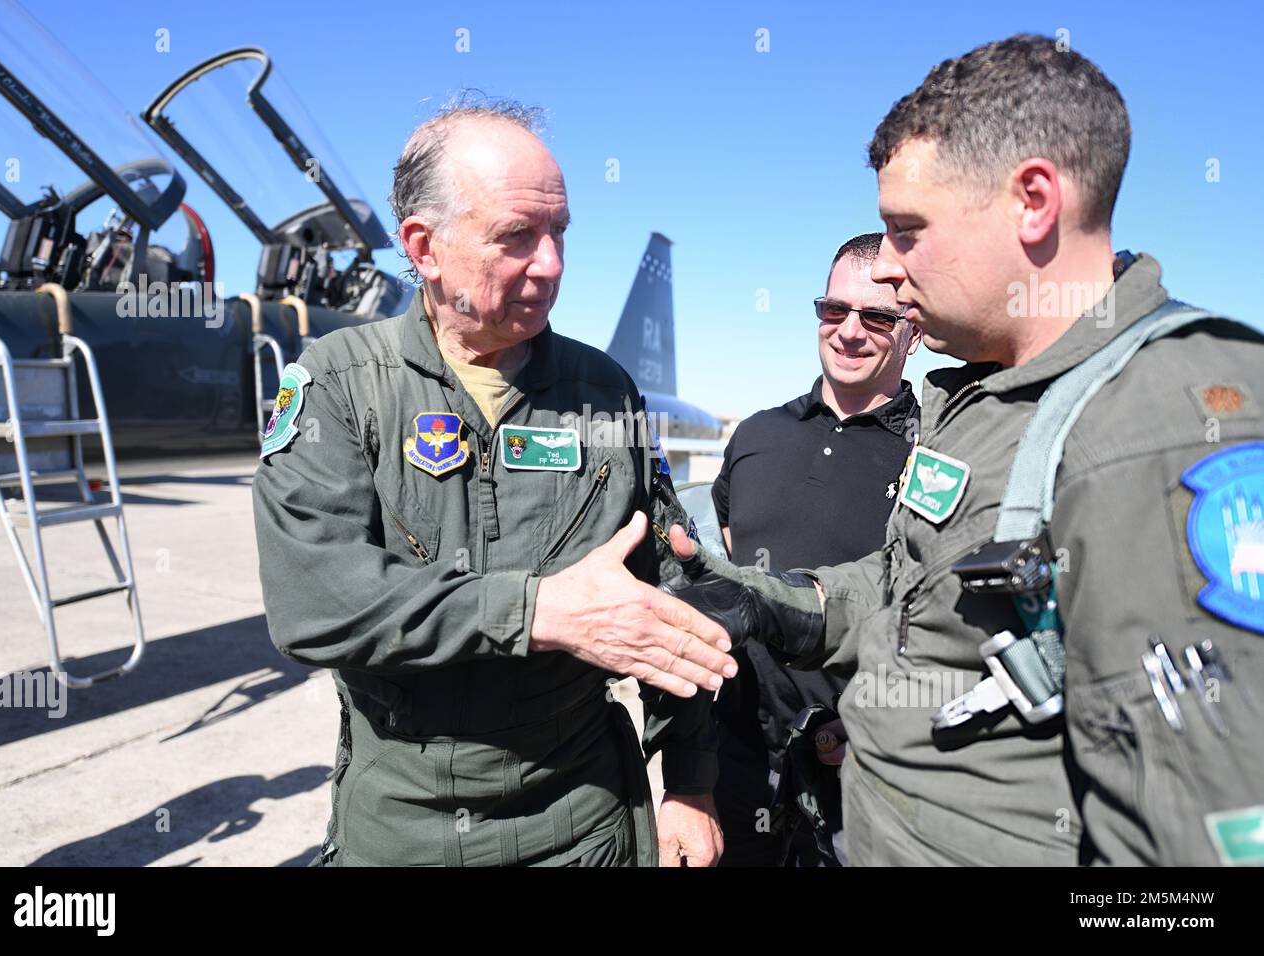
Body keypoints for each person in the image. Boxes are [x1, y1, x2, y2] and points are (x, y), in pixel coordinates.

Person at [664, 34, 1264, 865]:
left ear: (1032, 201)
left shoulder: (1169, 416)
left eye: (909, 232)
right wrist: (773, 601)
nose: (893, 276)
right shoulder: (981, 396)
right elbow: (912, 590)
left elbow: (1205, 831)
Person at [252, 99, 736, 867]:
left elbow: (671, 600)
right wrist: (538, 609)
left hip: (582, 821)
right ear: (425, 247)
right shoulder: (338, 385)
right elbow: (315, 604)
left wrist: (690, 785)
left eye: (559, 234)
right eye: (516, 236)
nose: (550, 264)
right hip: (403, 826)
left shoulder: (604, 392)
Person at [710, 232, 920, 866]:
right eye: (834, 311)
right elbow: (728, 566)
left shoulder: (935, 450)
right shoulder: (756, 436)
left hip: (867, 769)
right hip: (739, 758)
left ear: (910, 330)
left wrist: (872, 725)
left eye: (876, 317)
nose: (849, 331)